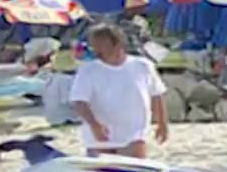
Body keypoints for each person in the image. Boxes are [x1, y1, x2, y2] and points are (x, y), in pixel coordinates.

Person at [70, 24, 169, 159]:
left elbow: (157, 95)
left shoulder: (142, 66)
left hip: (134, 135)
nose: (96, 49)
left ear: (117, 43)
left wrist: (162, 124)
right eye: (94, 45)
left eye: (100, 45)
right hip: (99, 138)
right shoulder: (88, 70)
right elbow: (79, 101)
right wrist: (94, 125)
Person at [41, 49, 80, 126]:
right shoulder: (66, 80)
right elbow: (68, 100)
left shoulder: (52, 77)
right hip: (63, 117)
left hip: (52, 116)